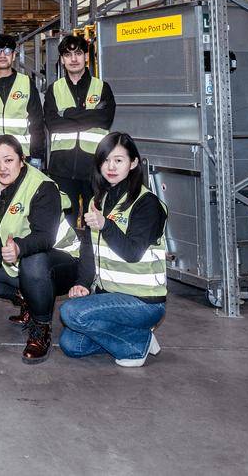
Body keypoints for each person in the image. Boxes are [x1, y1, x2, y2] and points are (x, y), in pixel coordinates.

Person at [59, 132, 168, 368]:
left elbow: (132, 253)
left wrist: (106, 225)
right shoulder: (98, 200)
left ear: (134, 163)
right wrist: (82, 283)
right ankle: (133, 334)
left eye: (118, 160)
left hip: (143, 301)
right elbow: (88, 247)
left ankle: (137, 345)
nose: (111, 167)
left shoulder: (147, 203)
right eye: (106, 160)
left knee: (71, 313)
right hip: (108, 295)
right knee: (72, 344)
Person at [0, 134, 80, 363]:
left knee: (33, 261)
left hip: (61, 262)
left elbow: (45, 238)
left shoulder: (42, 186)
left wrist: (19, 247)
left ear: (22, 159)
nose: (1, 168)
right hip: (14, 257)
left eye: (8, 160)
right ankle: (28, 299)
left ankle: (41, 328)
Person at [43, 33, 116, 222]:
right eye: (68, 55)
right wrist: (90, 116)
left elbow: (104, 119)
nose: (73, 59)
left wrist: (67, 113)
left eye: (78, 53)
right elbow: (53, 124)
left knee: (96, 221)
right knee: (64, 225)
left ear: (86, 56)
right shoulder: (54, 90)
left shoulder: (102, 88)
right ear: (62, 60)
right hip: (61, 170)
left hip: (95, 168)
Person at [0, 33, 45, 170]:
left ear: (13, 56)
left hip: (21, 156)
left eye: (7, 51)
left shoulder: (26, 83)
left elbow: (37, 123)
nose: (2, 55)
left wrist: (37, 156)